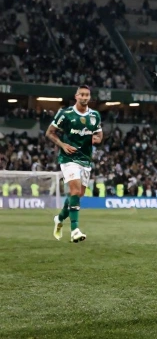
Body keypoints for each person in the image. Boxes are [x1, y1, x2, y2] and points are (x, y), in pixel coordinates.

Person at [47, 85, 102, 243]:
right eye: (81, 94)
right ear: (76, 96)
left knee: (77, 194)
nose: (84, 97)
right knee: (75, 190)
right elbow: (50, 132)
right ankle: (75, 230)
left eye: (87, 95)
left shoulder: (95, 115)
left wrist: (97, 139)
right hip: (68, 158)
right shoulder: (65, 114)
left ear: (89, 97)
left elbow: (99, 134)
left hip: (85, 159)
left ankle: (59, 218)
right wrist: (62, 145)